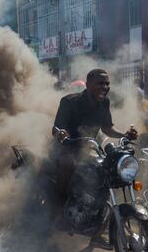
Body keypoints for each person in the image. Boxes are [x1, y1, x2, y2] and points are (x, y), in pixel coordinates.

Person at [52, 69, 137, 197]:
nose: (105, 87)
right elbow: (56, 128)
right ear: (87, 85)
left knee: (108, 167)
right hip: (64, 149)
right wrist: (62, 134)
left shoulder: (104, 102)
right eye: (100, 83)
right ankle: (57, 203)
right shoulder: (69, 102)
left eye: (107, 84)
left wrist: (125, 135)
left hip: (87, 150)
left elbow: (107, 129)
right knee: (69, 163)